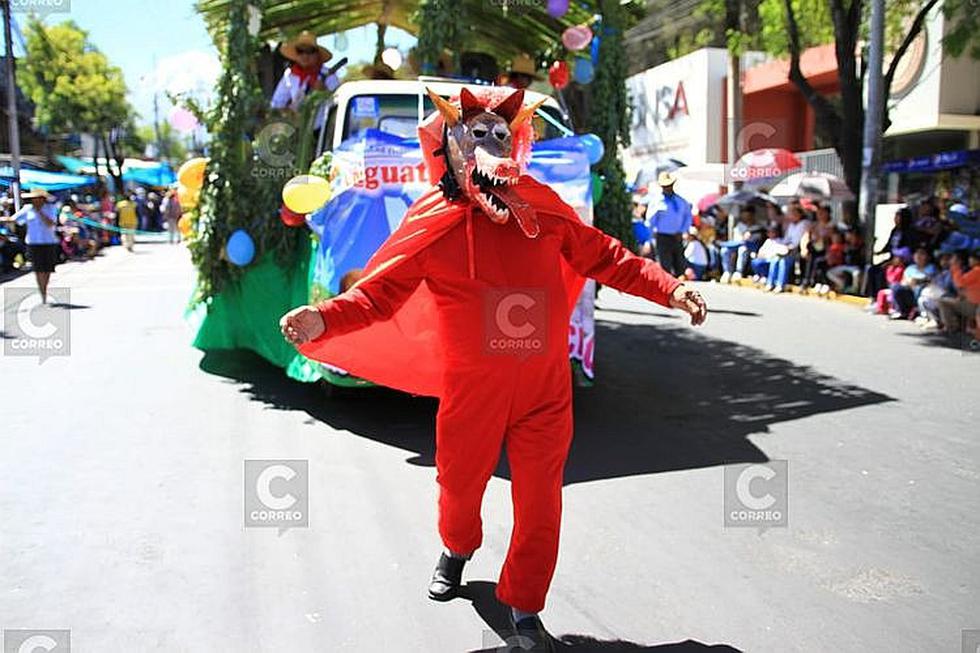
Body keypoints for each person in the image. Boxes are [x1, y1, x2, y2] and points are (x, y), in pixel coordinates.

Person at [279, 87, 708, 652]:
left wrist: (670, 287)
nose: (490, 140)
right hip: (472, 392)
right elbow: (379, 296)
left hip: (544, 391)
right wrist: (324, 318)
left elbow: (606, 255)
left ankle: (524, 607)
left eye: (501, 133)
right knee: (458, 489)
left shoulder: (543, 205)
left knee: (541, 502)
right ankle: (457, 548)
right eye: (476, 132)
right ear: (449, 146)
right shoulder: (431, 221)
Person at [10, 189, 59, 303]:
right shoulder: (27, 209)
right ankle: (42, 293)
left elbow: (50, 223)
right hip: (33, 243)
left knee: (47, 269)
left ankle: (44, 287)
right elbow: (15, 219)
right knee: (38, 269)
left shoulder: (50, 209)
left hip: (48, 242)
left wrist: (40, 212)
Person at [271, 31, 333, 111]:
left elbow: (338, 101)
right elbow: (277, 103)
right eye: (300, 51)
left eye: (310, 51)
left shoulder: (329, 75)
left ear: (317, 54)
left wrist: (324, 91)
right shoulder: (290, 75)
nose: (305, 55)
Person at [646, 171, 692, 277]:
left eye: (669, 185)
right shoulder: (656, 202)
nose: (667, 188)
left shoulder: (681, 201)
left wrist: (683, 230)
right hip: (663, 237)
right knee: (665, 266)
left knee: (680, 266)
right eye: (665, 186)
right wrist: (650, 238)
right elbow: (650, 221)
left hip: (677, 236)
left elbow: (687, 217)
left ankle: (680, 289)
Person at [765, 205, 810, 293]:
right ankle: (770, 283)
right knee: (775, 260)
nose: (792, 216)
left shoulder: (804, 223)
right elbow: (787, 238)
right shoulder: (791, 225)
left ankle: (780, 284)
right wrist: (782, 244)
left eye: (794, 214)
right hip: (787, 247)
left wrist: (790, 246)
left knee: (783, 262)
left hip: (796, 249)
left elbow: (798, 240)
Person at [938, 250, 980, 335]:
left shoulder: (977, 270)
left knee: (943, 301)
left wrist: (955, 267)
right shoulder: (973, 270)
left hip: (975, 306)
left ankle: (952, 327)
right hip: (972, 303)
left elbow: (960, 282)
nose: (970, 260)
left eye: (971, 258)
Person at [719, 206, 764, 282]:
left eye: (748, 215)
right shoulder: (739, 226)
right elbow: (736, 240)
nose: (746, 217)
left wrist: (748, 237)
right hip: (737, 244)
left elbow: (757, 239)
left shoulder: (757, 227)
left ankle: (738, 271)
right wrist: (743, 237)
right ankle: (727, 271)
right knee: (724, 250)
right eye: (745, 215)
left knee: (742, 249)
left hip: (750, 247)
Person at [889, 247, 936, 319]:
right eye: (917, 253)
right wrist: (911, 282)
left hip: (923, 292)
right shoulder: (910, 268)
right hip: (910, 292)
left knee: (921, 288)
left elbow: (930, 279)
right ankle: (902, 311)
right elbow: (904, 281)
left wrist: (917, 281)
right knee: (896, 287)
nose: (918, 256)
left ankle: (917, 311)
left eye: (922, 254)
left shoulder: (931, 267)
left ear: (928, 257)